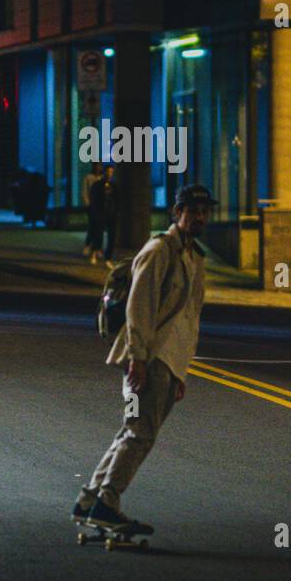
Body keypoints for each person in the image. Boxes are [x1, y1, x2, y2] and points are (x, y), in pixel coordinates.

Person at [71, 183, 216, 534]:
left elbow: (189, 318)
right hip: (150, 357)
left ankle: (90, 500)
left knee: (133, 429)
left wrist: (181, 371)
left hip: (169, 361)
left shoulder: (194, 257)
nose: (199, 216)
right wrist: (137, 357)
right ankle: (108, 502)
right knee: (141, 432)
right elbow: (140, 306)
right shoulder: (159, 249)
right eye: (192, 210)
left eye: (203, 210)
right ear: (176, 213)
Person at [82, 162, 103, 257]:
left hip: (101, 206)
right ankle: (88, 246)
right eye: (96, 165)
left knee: (100, 228)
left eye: (99, 165)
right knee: (93, 226)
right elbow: (85, 191)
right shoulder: (88, 177)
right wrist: (87, 203)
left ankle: (97, 248)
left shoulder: (102, 177)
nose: (98, 167)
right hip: (92, 205)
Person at [101, 165, 118, 265]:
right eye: (108, 172)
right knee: (98, 234)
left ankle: (108, 256)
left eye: (111, 172)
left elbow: (117, 199)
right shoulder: (99, 184)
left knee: (112, 235)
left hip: (111, 213)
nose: (109, 174)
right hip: (102, 212)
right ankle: (96, 251)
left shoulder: (113, 185)